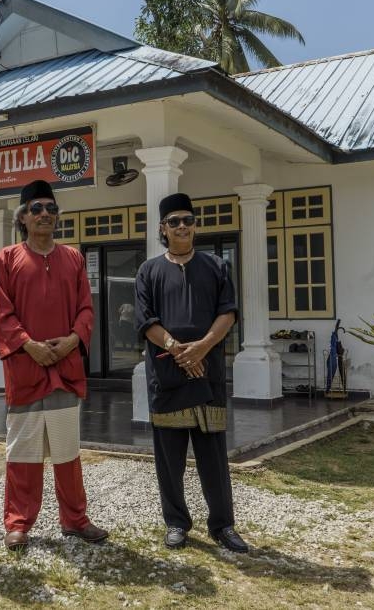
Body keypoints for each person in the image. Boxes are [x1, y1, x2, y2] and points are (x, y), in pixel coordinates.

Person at [0, 179, 109, 550]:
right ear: (23, 217)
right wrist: (28, 346)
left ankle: (75, 519)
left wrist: (73, 339)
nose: (44, 215)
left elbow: (86, 308)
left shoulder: (73, 258)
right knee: (22, 452)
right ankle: (18, 522)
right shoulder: (5, 259)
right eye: (36, 208)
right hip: (25, 371)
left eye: (51, 209)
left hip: (64, 368)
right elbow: (1, 314)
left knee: (67, 450)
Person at [134, 192, 249, 553]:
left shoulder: (216, 266)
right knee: (169, 459)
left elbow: (227, 313)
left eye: (188, 220)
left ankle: (223, 525)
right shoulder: (148, 271)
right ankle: (176, 523)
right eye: (174, 221)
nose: (181, 226)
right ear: (162, 228)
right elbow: (145, 321)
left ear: (195, 225)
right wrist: (177, 349)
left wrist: (202, 347)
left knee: (213, 455)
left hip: (208, 374)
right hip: (168, 377)